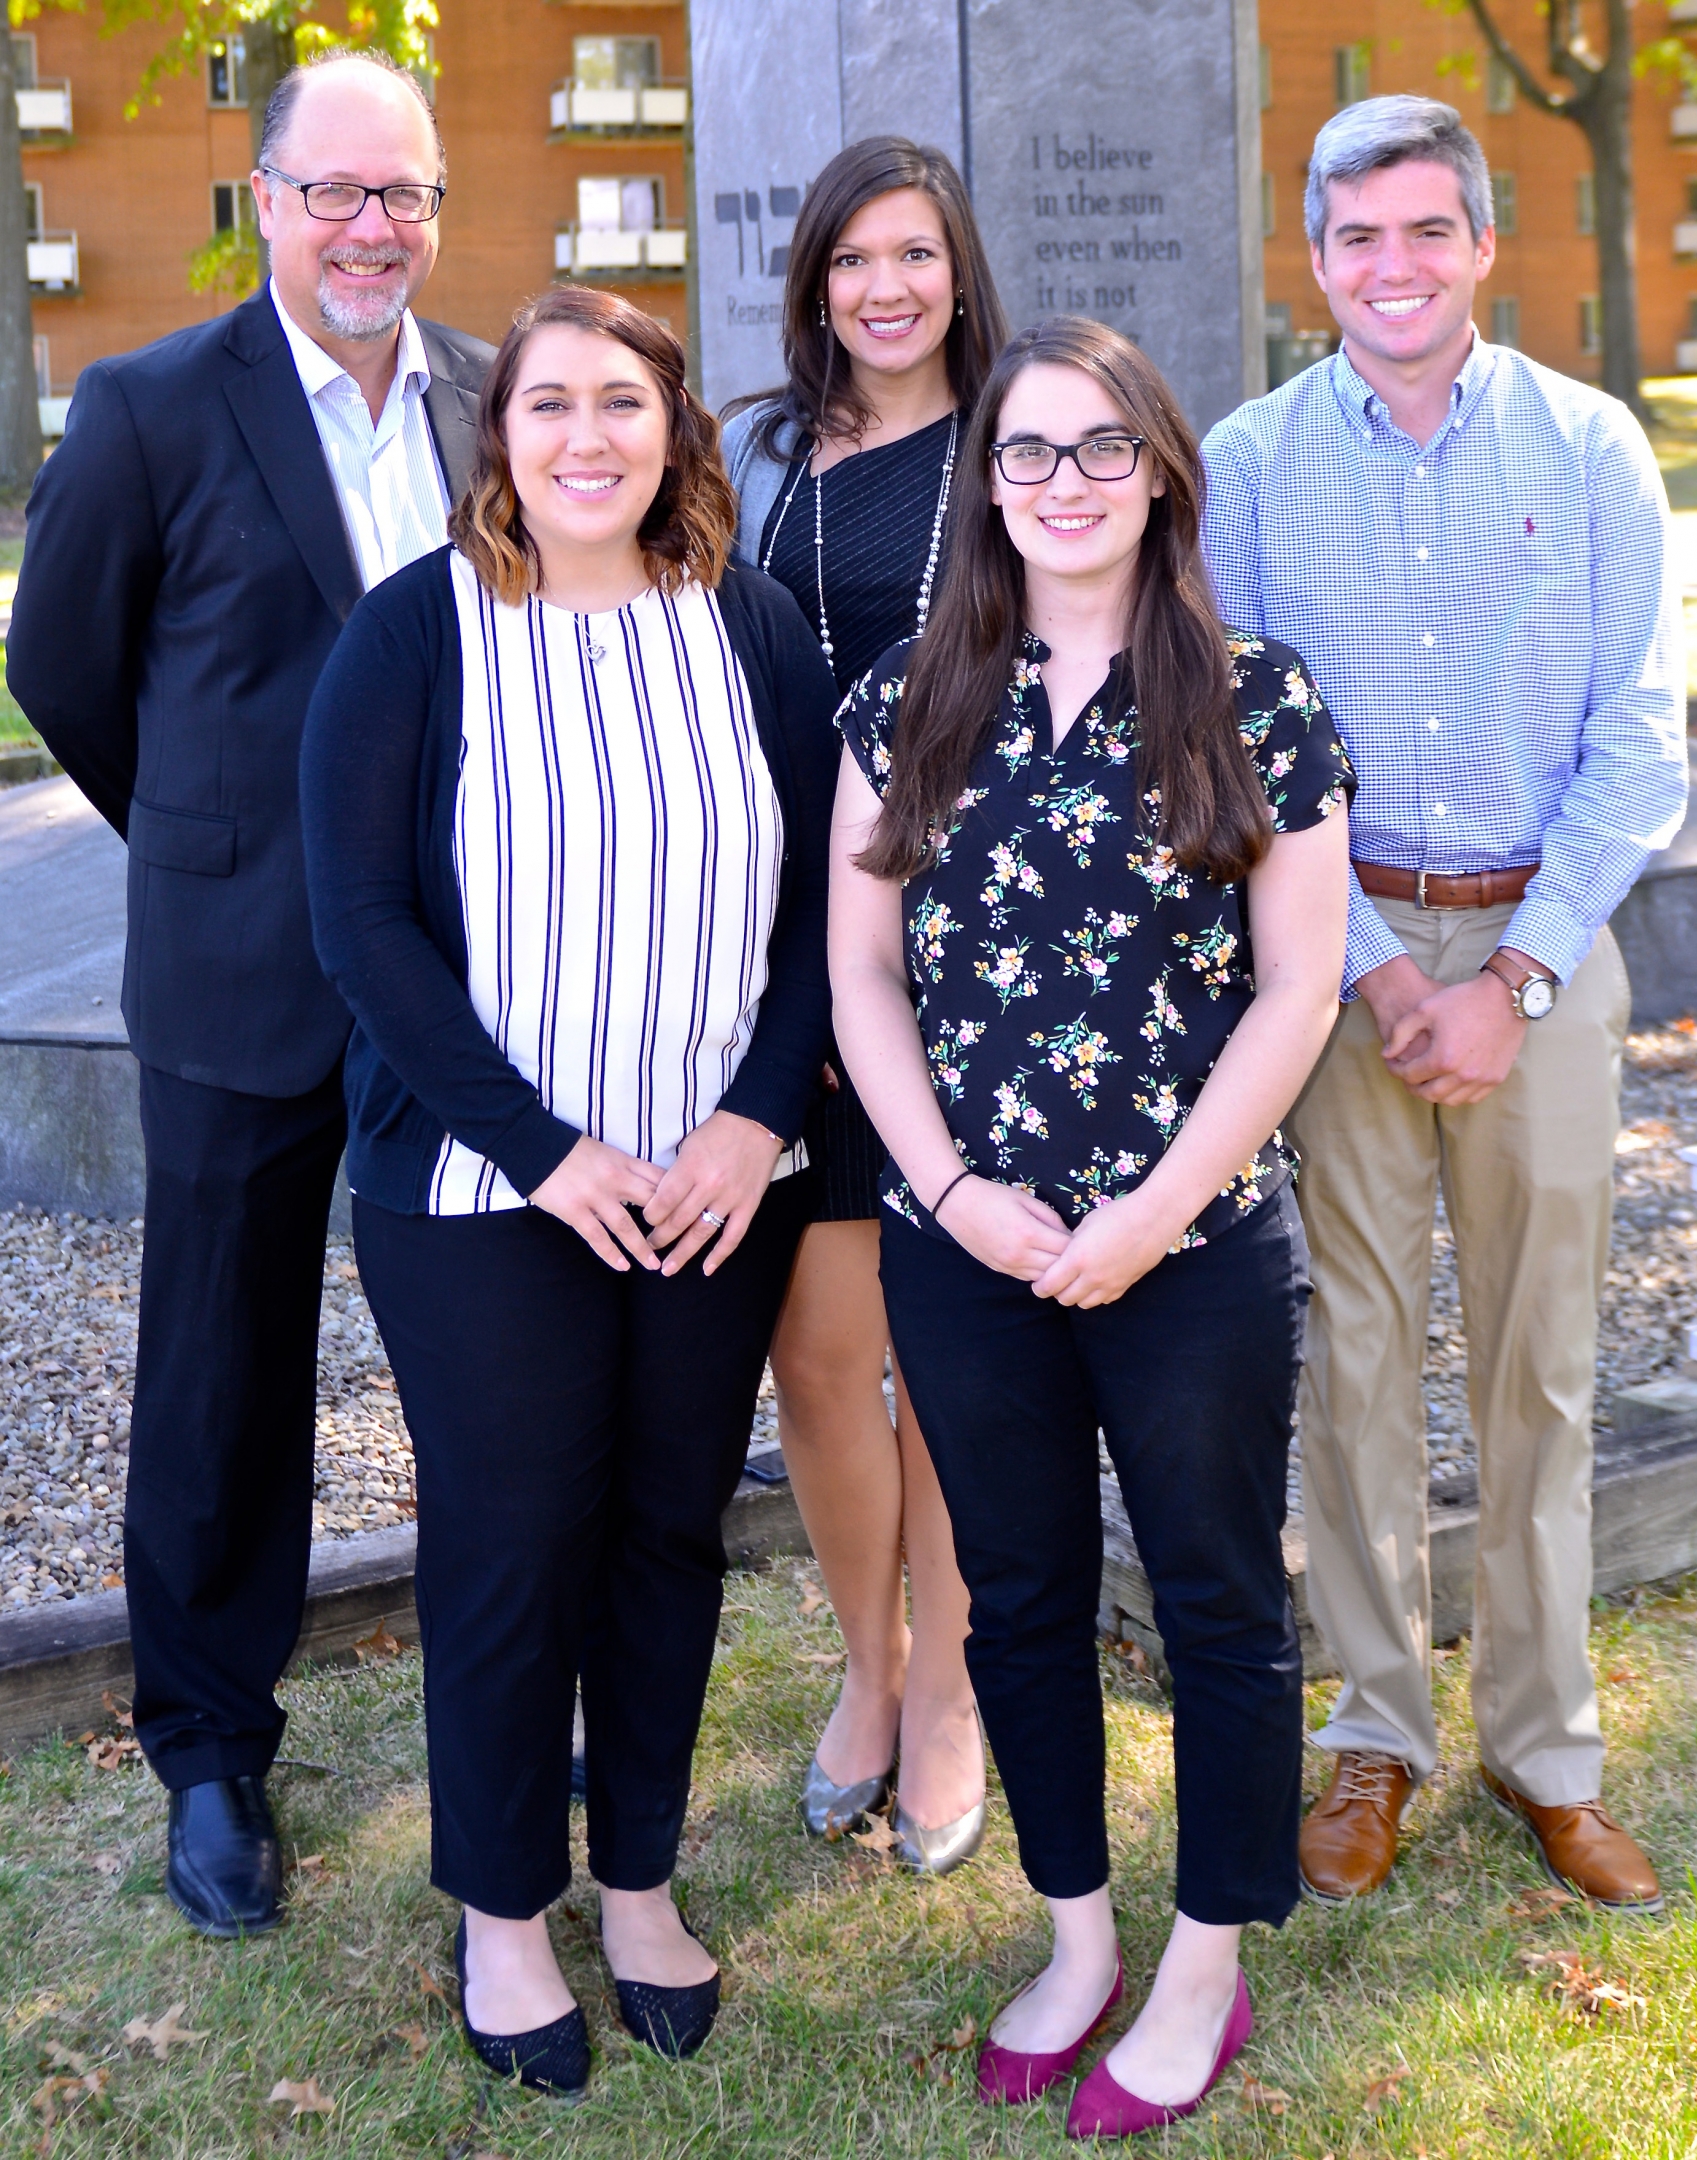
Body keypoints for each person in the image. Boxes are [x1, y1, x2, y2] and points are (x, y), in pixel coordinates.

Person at [301, 285, 836, 2095]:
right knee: (516, 1543)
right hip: (480, 1191)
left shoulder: (754, 632)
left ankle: (638, 1883)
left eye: (624, 401)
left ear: (674, 430)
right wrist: (548, 1150)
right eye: (549, 404)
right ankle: (505, 1913)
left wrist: (757, 1126)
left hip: (707, 1187)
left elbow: (821, 924)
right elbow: (363, 928)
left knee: (669, 1533)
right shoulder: (412, 637)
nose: (586, 435)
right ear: (500, 436)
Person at [830, 315, 1353, 2138]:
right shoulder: (905, 695)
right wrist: (957, 1192)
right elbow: (862, 976)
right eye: (1029, 452)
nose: (1065, 484)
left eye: (1101, 450)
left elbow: (1296, 996)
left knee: (1215, 1596)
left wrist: (1150, 1210)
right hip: (961, 1245)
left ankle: (1203, 1964)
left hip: (1190, 1248)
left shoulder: (1260, 697)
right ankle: (1078, 1938)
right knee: (1023, 1598)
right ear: (985, 483)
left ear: (1161, 474)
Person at [6, 50, 493, 1940]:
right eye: (337, 192)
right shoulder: (145, 408)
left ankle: (519, 1709)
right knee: (221, 1375)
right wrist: (217, 843)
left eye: (407, 194)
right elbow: (66, 669)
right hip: (244, 977)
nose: (375, 228)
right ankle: (211, 1748)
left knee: (493, 1349)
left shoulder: (486, 400)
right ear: (266, 202)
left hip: (472, 973)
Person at [1201, 95, 1687, 1913]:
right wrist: (1379, 971)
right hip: (1332, 963)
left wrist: (1521, 976)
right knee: (1355, 1360)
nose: (1391, 269)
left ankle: (1548, 1752)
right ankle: (1378, 1739)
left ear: (1481, 244)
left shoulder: (1592, 444)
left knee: (1540, 1372)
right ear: (1314, 259)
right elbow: (1238, 730)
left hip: (1542, 949)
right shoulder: (1250, 459)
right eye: (1355, 240)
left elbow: (1639, 743)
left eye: (1426, 233)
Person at [721, 134, 1007, 1870]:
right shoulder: (763, 453)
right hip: (786, 946)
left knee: (956, 1359)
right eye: (849, 261)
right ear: (815, 283)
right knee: (823, 1362)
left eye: (911, 254)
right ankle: (870, 1669)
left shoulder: (1013, 440)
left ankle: (961, 1690)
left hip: (966, 957)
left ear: (958, 270)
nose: (882, 288)